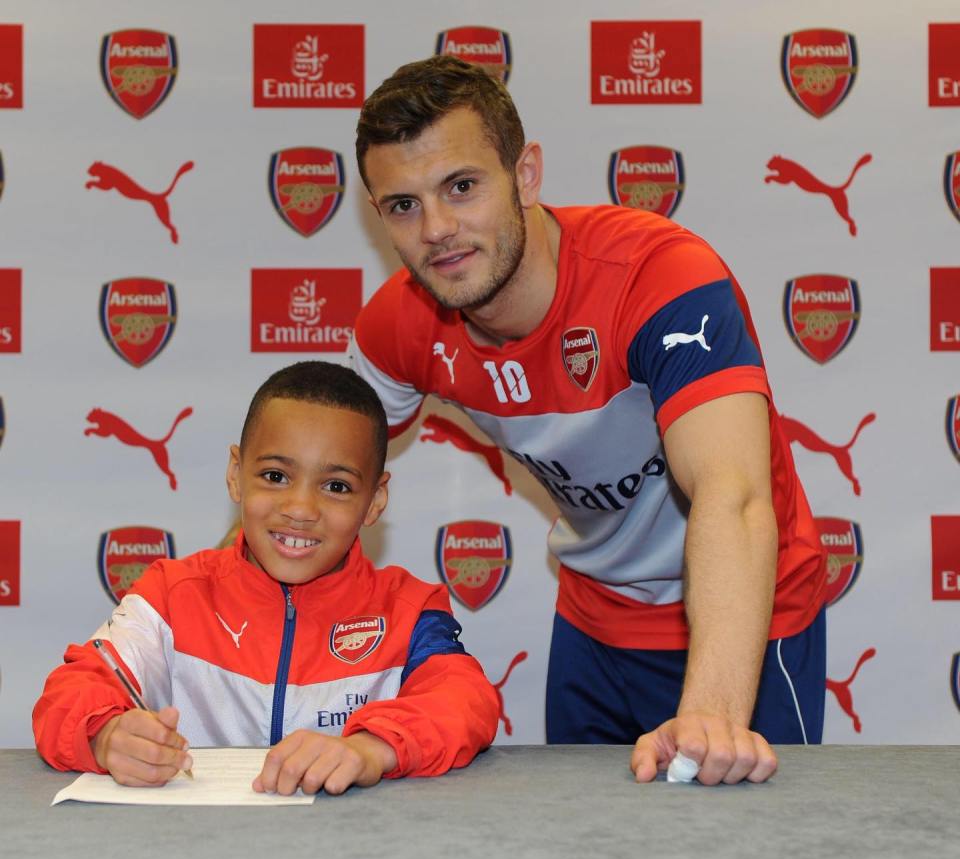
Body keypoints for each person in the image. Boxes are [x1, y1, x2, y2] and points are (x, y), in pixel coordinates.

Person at [348, 56, 827, 785]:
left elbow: (733, 495)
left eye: (463, 186)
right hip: (594, 621)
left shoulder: (660, 275)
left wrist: (713, 715)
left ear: (527, 174)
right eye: (403, 205)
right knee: (585, 853)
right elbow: (296, 484)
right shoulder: (399, 323)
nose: (437, 230)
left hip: (750, 617)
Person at [33, 361, 499, 794]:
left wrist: (370, 749)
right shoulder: (170, 594)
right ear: (236, 475)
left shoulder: (408, 608)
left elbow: (465, 699)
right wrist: (106, 735)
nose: (299, 509)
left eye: (336, 487)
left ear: (375, 501)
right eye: (275, 476)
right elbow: (69, 693)